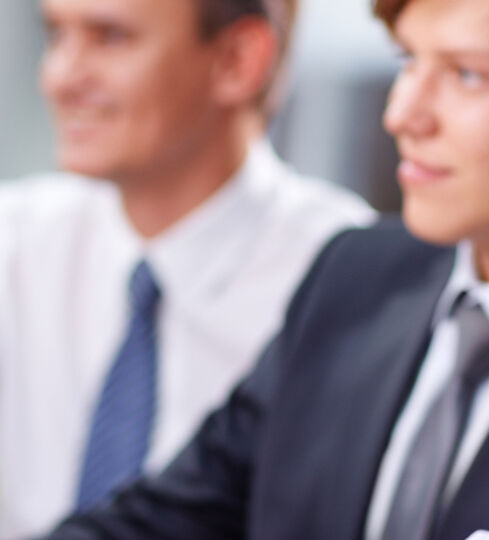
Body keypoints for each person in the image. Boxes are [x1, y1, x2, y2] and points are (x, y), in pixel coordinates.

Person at [40, 0, 489, 537]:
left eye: (468, 75)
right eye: (407, 61)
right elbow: (176, 514)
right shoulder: (358, 277)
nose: (402, 114)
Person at [0, 0, 376, 537]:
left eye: (110, 38)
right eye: (55, 36)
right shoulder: (15, 242)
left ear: (238, 60)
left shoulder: (355, 288)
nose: (59, 78)